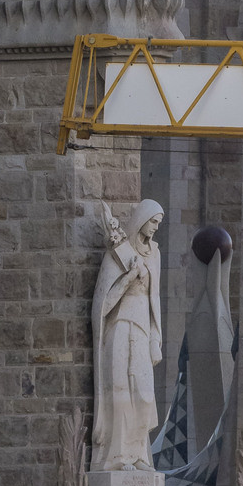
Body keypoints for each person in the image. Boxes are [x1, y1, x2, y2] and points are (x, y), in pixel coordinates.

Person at [91, 198, 164, 470]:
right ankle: (119, 457)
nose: (156, 227)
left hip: (144, 329)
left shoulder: (154, 254)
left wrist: (157, 336)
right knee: (122, 393)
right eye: (153, 221)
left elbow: (155, 298)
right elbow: (103, 305)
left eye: (159, 223)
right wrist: (127, 279)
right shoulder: (117, 254)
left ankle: (139, 454)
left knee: (144, 395)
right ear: (142, 220)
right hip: (121, 326)